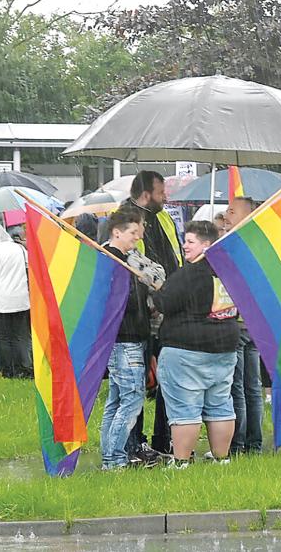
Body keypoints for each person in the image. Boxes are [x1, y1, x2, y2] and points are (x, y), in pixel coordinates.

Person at [153, 221, 240, 468]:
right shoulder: (230, 272)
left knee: (184, 408)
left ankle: (181, 462)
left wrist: (158, 288)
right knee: (220, 404)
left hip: (186, 350)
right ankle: (221, 458)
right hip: (224, 348)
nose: (185, 245)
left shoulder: (190, 273)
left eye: (190, 241)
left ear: (207, 245)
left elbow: (164, 302)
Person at [118, 171, 183, 462]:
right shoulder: (124, 221)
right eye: (161, 192)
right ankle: (134, 443)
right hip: (140, 315)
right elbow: (126, 267)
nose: (165, 197)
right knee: (138, 380)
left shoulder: (165, 218)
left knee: (167, 376)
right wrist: (150, 298)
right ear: (146, 193)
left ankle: (163, 438)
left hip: (168, 308)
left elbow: (175, 255)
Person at [99, 210, 152, 470]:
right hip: (124, 339)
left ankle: (110, 455)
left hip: (127, 338)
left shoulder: (125, 259)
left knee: (117, 400)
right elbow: (118, 303)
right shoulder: (110, 261)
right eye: (133, 233)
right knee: (131, 399)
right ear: (117, 232)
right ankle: (114, 459)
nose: (137, 238)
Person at [223, 197, 263, 455]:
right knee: (253, 387)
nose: (226, 214)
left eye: (231, 210)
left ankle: (237, 445)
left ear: (246, 215)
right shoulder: (258, 244)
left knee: (238, 387)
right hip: (253, 324)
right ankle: (255, 444)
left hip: (237, 324)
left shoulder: (235, 245)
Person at [0, 222, 31, 379]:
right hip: (22, 299)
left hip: (0, 302)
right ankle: (26, 368)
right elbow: (28, 269)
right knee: (22, 336)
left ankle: (9, 371)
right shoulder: (19, 249)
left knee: (3, 338)